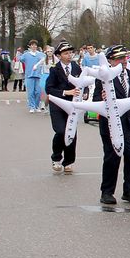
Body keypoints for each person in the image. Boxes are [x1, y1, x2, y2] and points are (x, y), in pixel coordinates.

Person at [92, 45, 130, 207]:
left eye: (125, 58)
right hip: (110, 123)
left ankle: (129, 190)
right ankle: (107, 192)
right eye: (119, 58)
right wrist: (101, 97)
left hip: (127, 122)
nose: (123, 61)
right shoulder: (104, 76)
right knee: (112, 156)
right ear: (111, 61)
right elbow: (95, 100)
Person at [46, 42, 82, 174]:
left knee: (71, 132)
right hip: (58, 104)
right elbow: (49, 89)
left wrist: (84, 93)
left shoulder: (76, 67)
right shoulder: (54, 69)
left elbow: (83, 83)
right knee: (61, 131)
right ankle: (56, 158)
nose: (69, 55)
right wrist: (66, 92)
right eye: (66, 53)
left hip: (73, 105)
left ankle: (69, 161)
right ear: (59, 56)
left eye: (70, 53)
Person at [19, 41, 47, 113]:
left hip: (38, 75)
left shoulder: (40, 54)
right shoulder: (26, 55)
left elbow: (46, 57)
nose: (34, 46)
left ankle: (37, 106)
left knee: (38, 92)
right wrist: (18, 53)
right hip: (29, 76)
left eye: (35, 45)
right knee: (31, 92)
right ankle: (32, 106)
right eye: (32, 45)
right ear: (30, 46)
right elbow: (20, 59)